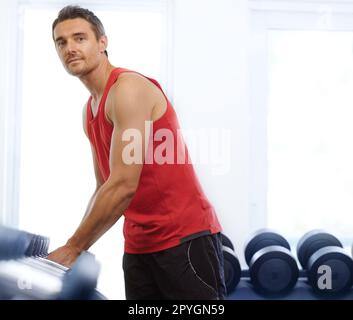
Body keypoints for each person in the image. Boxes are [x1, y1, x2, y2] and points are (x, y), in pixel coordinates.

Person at [48, 5, 226, 300]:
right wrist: (76, 246)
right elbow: (104, 187)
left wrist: (74, 246)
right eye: (61, 42)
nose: (70, 48)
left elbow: (123, 186)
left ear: (102, 43)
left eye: (80, 38)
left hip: (183, 238)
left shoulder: (127, 89)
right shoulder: (89, 111)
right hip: (139, 246)